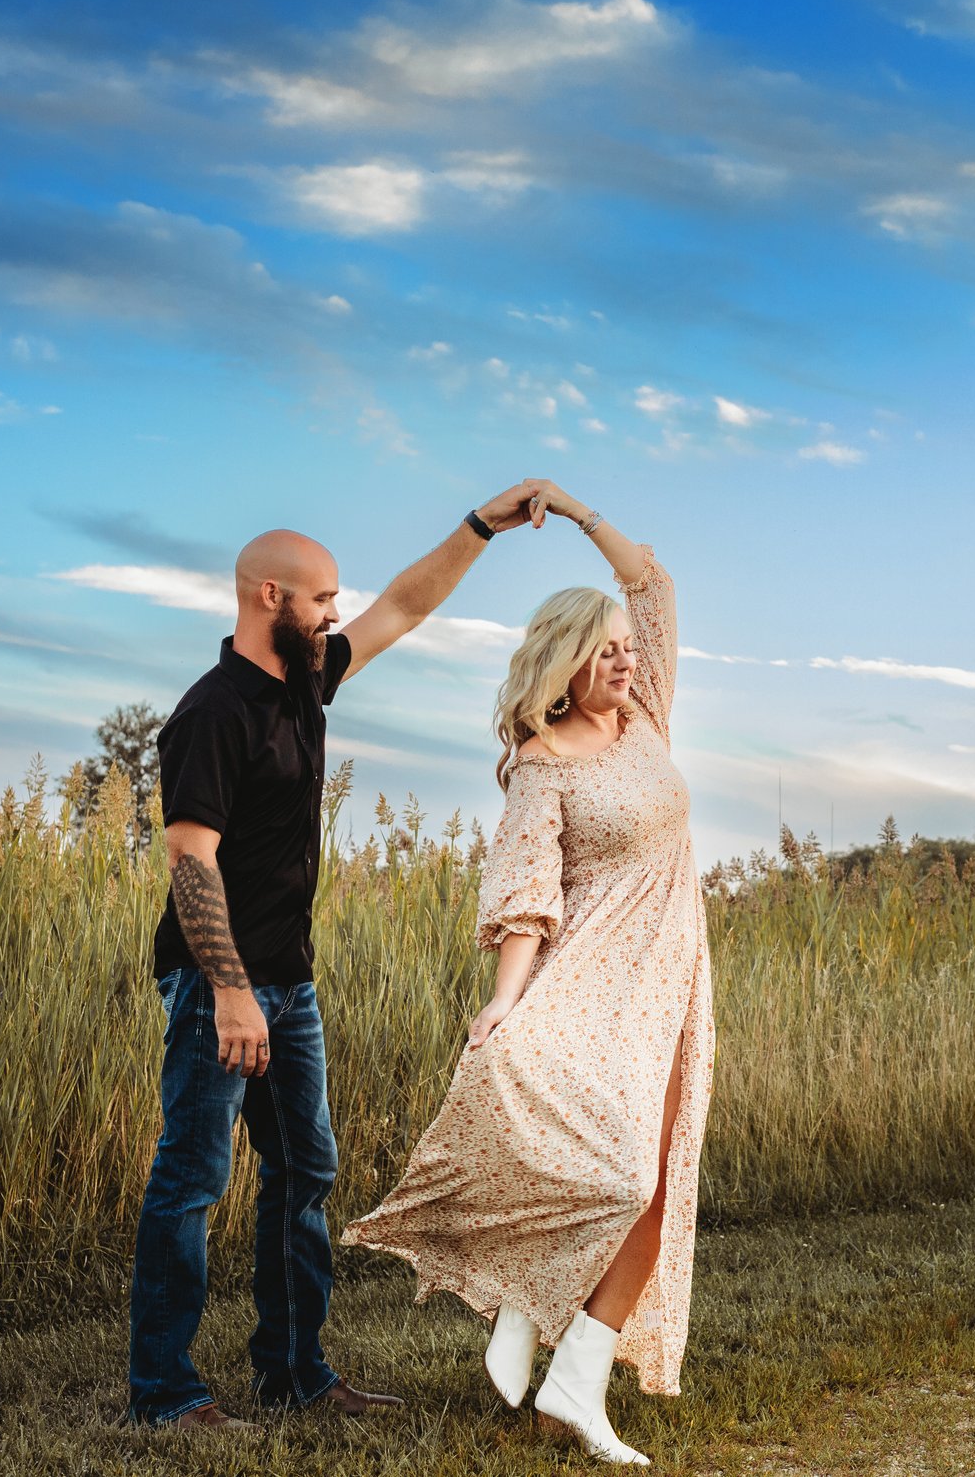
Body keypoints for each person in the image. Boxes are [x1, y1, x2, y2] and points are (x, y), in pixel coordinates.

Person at [126, 479, 555, 1430]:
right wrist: (231, 991)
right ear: (269, 598)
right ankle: (163, 1393)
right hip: (216, 983)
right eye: (321, 598)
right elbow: (190, 861)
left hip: (290, 983)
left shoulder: (307, 681)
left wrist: (480, 525)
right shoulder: (212, 713)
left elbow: (404, 604)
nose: (334, 613)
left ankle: (294, 1374)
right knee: (192, 1178)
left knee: (305, 1170)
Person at [344, 486, 714, 1467]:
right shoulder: (543, 764)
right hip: (586, 974)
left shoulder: (647, 718)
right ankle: (518, 1290)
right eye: (603, 648)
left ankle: (577, 1382)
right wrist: (504, 1000)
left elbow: (653, 585)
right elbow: (524, 897)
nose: (624, 656)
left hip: (670, 976)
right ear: (561, 663)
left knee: (656, 1179)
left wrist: (579, 509)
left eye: (624, 646)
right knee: (610, 1166)